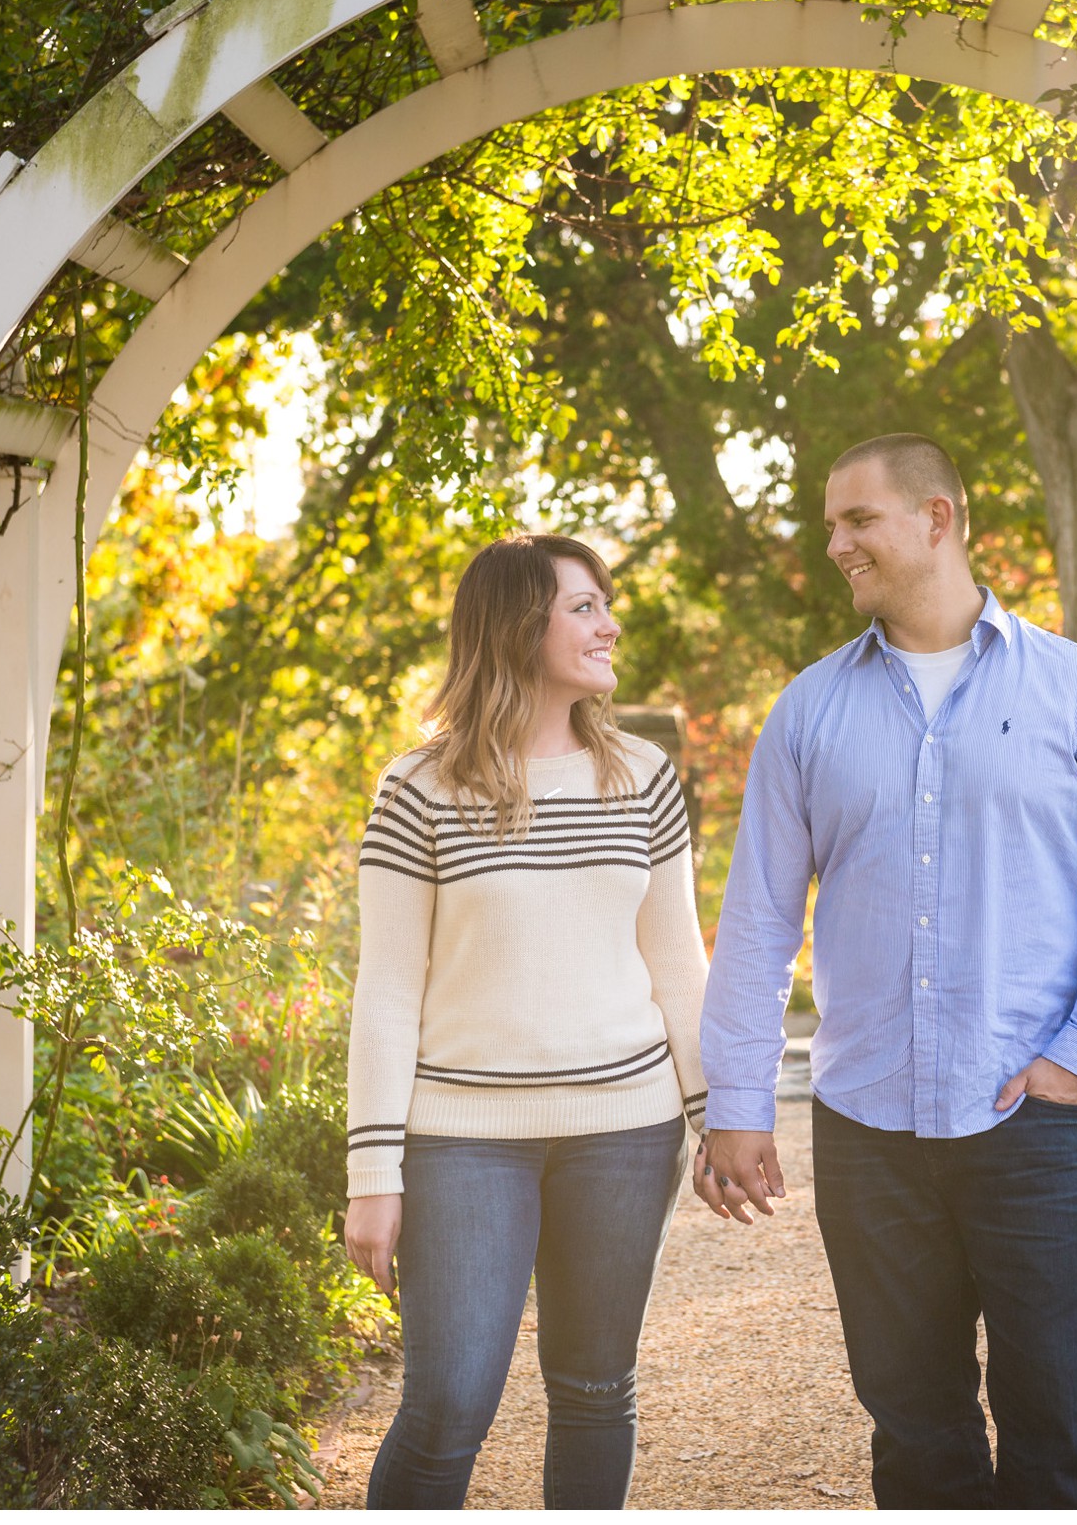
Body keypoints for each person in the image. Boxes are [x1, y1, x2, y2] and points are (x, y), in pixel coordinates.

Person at [695, 434, 1077, 1508]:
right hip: (867, 1128)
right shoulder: (808, 712)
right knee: (916, 1432)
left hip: (1031, 1120)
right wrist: (736, 1103)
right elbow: (760, 919)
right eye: (830, 525)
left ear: (937, 519)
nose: (835, 544)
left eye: (856, 520)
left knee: (1058, 1425)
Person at [343, 533, 708, 1510]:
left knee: (595, 1391)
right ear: (517, 625)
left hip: (626, 1134)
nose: (609, 623)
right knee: (449, 1402)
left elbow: (678, 961)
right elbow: (386, 987)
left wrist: (718, 1116)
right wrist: (373, 1175)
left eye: (604, 603)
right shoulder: (416, 788)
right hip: (464, 1142)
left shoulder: (643, 775)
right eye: (582, 606)